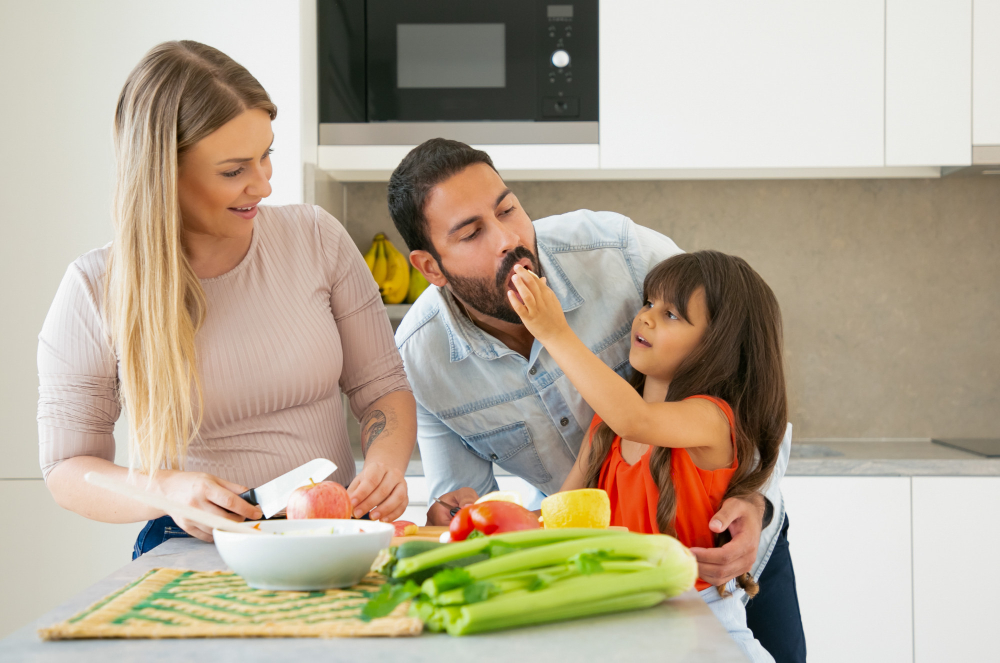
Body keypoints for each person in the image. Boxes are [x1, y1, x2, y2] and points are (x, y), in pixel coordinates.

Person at [389, 138, 805, 661]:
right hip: (614, 594)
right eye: (472, 232)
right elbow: (490, 506)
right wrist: (456, 515)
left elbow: (749, 381)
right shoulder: (420, 358)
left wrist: (754, 497)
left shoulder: (622, 252)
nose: (507, 239)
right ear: (430, 266)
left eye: (508, 209)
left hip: (726, 573)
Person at [37, 41, 415, 558]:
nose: (263, 184)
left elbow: (382, 388)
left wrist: (386, 464)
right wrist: (166, 490)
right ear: (163, 174)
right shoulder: (93, 288)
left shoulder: (315, 237)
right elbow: (67, 470)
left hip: (332, 532)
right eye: (234, 171)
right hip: (189, 544)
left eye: (267, 156)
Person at [507, 252, 785, 662]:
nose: (647, 318)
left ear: (719, 344)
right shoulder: (606, 427)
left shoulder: (713, 420)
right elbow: (552, 520)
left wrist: (553, 332)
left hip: (701, 621)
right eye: (649, 303)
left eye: (672, 314)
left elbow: (635, 419)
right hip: (619, 620)